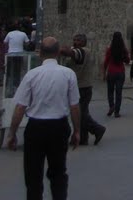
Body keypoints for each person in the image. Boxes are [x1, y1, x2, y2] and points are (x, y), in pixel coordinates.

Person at [6, 36, 80, 200]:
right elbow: (74, 106)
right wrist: (77, 130)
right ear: (57, 53)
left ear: (40, 54)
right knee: (58, 173)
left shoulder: (32, 75)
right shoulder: (68, 74)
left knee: (33, 176)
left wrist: (11, 133)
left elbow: (20, 107)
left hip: (36, 128)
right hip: (59, 127)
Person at [60, 32, 105, 146]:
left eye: (78, 40)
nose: (75, 42)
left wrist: (56, 50)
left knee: (79, 114)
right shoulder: (80, 51)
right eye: (74, 40)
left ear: (83, 42)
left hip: (82, 87)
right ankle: (82, 138)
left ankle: (97, 129)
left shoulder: (83, 51)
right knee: (82, 112)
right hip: (80, 86)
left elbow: (70, 53)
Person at [102, 31, 130, 117]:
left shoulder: (110, 49)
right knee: (119, 92)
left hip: (111, 72)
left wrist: (104, 74)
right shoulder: (123, 49)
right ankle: (117, 111)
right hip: (120, 72)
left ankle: (111, 106)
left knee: (110, 91)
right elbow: (128, 61)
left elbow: (106, 62)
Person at [4, 19, 31, 95]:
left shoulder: (9, 34)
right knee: (18, 70)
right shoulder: (23, 34)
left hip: (10, 54)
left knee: (10, 71)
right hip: (20, 54)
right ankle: (17, 86)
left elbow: (5, 42)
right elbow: (28, 43)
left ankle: (10, 87)